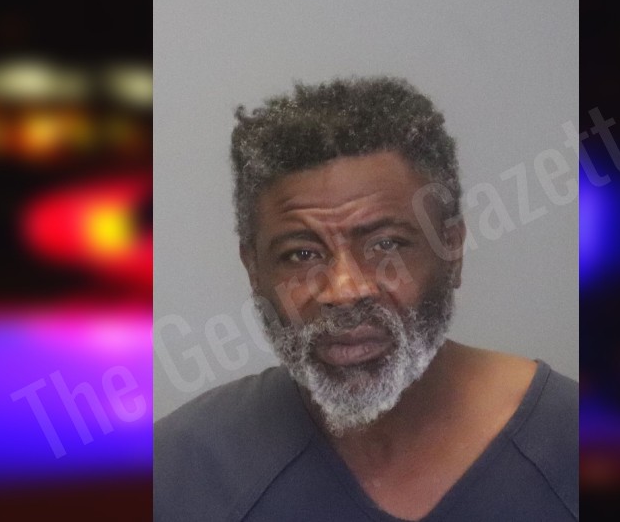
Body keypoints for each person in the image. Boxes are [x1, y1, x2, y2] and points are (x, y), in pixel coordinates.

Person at [154, 76, 578, 521]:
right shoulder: (179, 475)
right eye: (301, 254)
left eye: (386, 245)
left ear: (451, 249)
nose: (344, 291)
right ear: (254, 271)